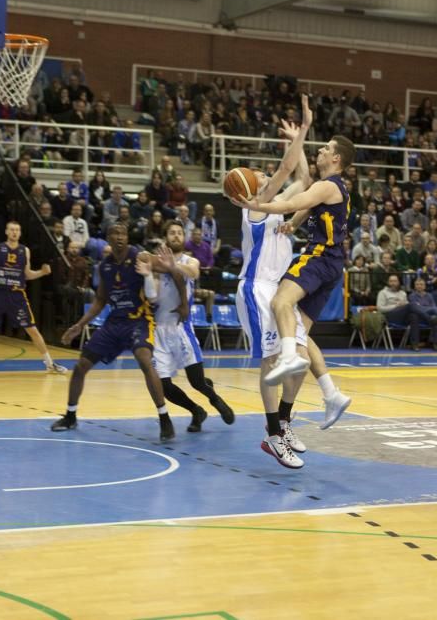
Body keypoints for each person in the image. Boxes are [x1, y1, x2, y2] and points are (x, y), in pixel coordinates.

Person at [233, 103, 351, 468]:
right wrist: (301, 134)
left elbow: (301, 175)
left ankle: (284, 422)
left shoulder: (280, 205)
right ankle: (272, 434)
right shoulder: (256, 206)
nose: (267, 175)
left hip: (278, 286)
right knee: (271, 360)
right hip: (256, 289)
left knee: (297, 359)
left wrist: (297, 142)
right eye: (260, 175)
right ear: (253, 188)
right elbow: (287, 168)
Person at [50, 224, 175, 442]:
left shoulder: (140, 256)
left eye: (123, 233)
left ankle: (165, 418)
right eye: (115, 233)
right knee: (81, 366)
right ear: (108, 238)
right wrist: (80, 325)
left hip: (139, 321)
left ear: (127, 237)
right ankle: (70, 415)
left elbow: (168, 268)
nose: (119, 237)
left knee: (145, 361)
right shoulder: (104, 266)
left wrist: (172, 267)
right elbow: (100, 300)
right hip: (114, 323)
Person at [145, 220, 234, 432]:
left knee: (197, 382)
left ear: (183, 237)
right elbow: (153, 294)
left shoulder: (190, 260)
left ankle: (214, 399)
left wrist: (170, 265)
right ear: (165, 237)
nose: (176, 236)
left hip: (181, 328)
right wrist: (151, 272)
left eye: (179, 233)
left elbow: (193, 273)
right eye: (172, 233)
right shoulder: (157, 262)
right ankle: (196, 411)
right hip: (159, 329)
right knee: (163, 385)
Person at [0, 221, 67, 375]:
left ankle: (49, 363)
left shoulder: (24, 250)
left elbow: (27, 274)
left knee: (32, 329)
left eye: (17, 230)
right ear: (6, 232)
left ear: (20, 233)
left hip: (17, 295)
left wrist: (42, 272)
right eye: (12, 229)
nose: (14, 232)